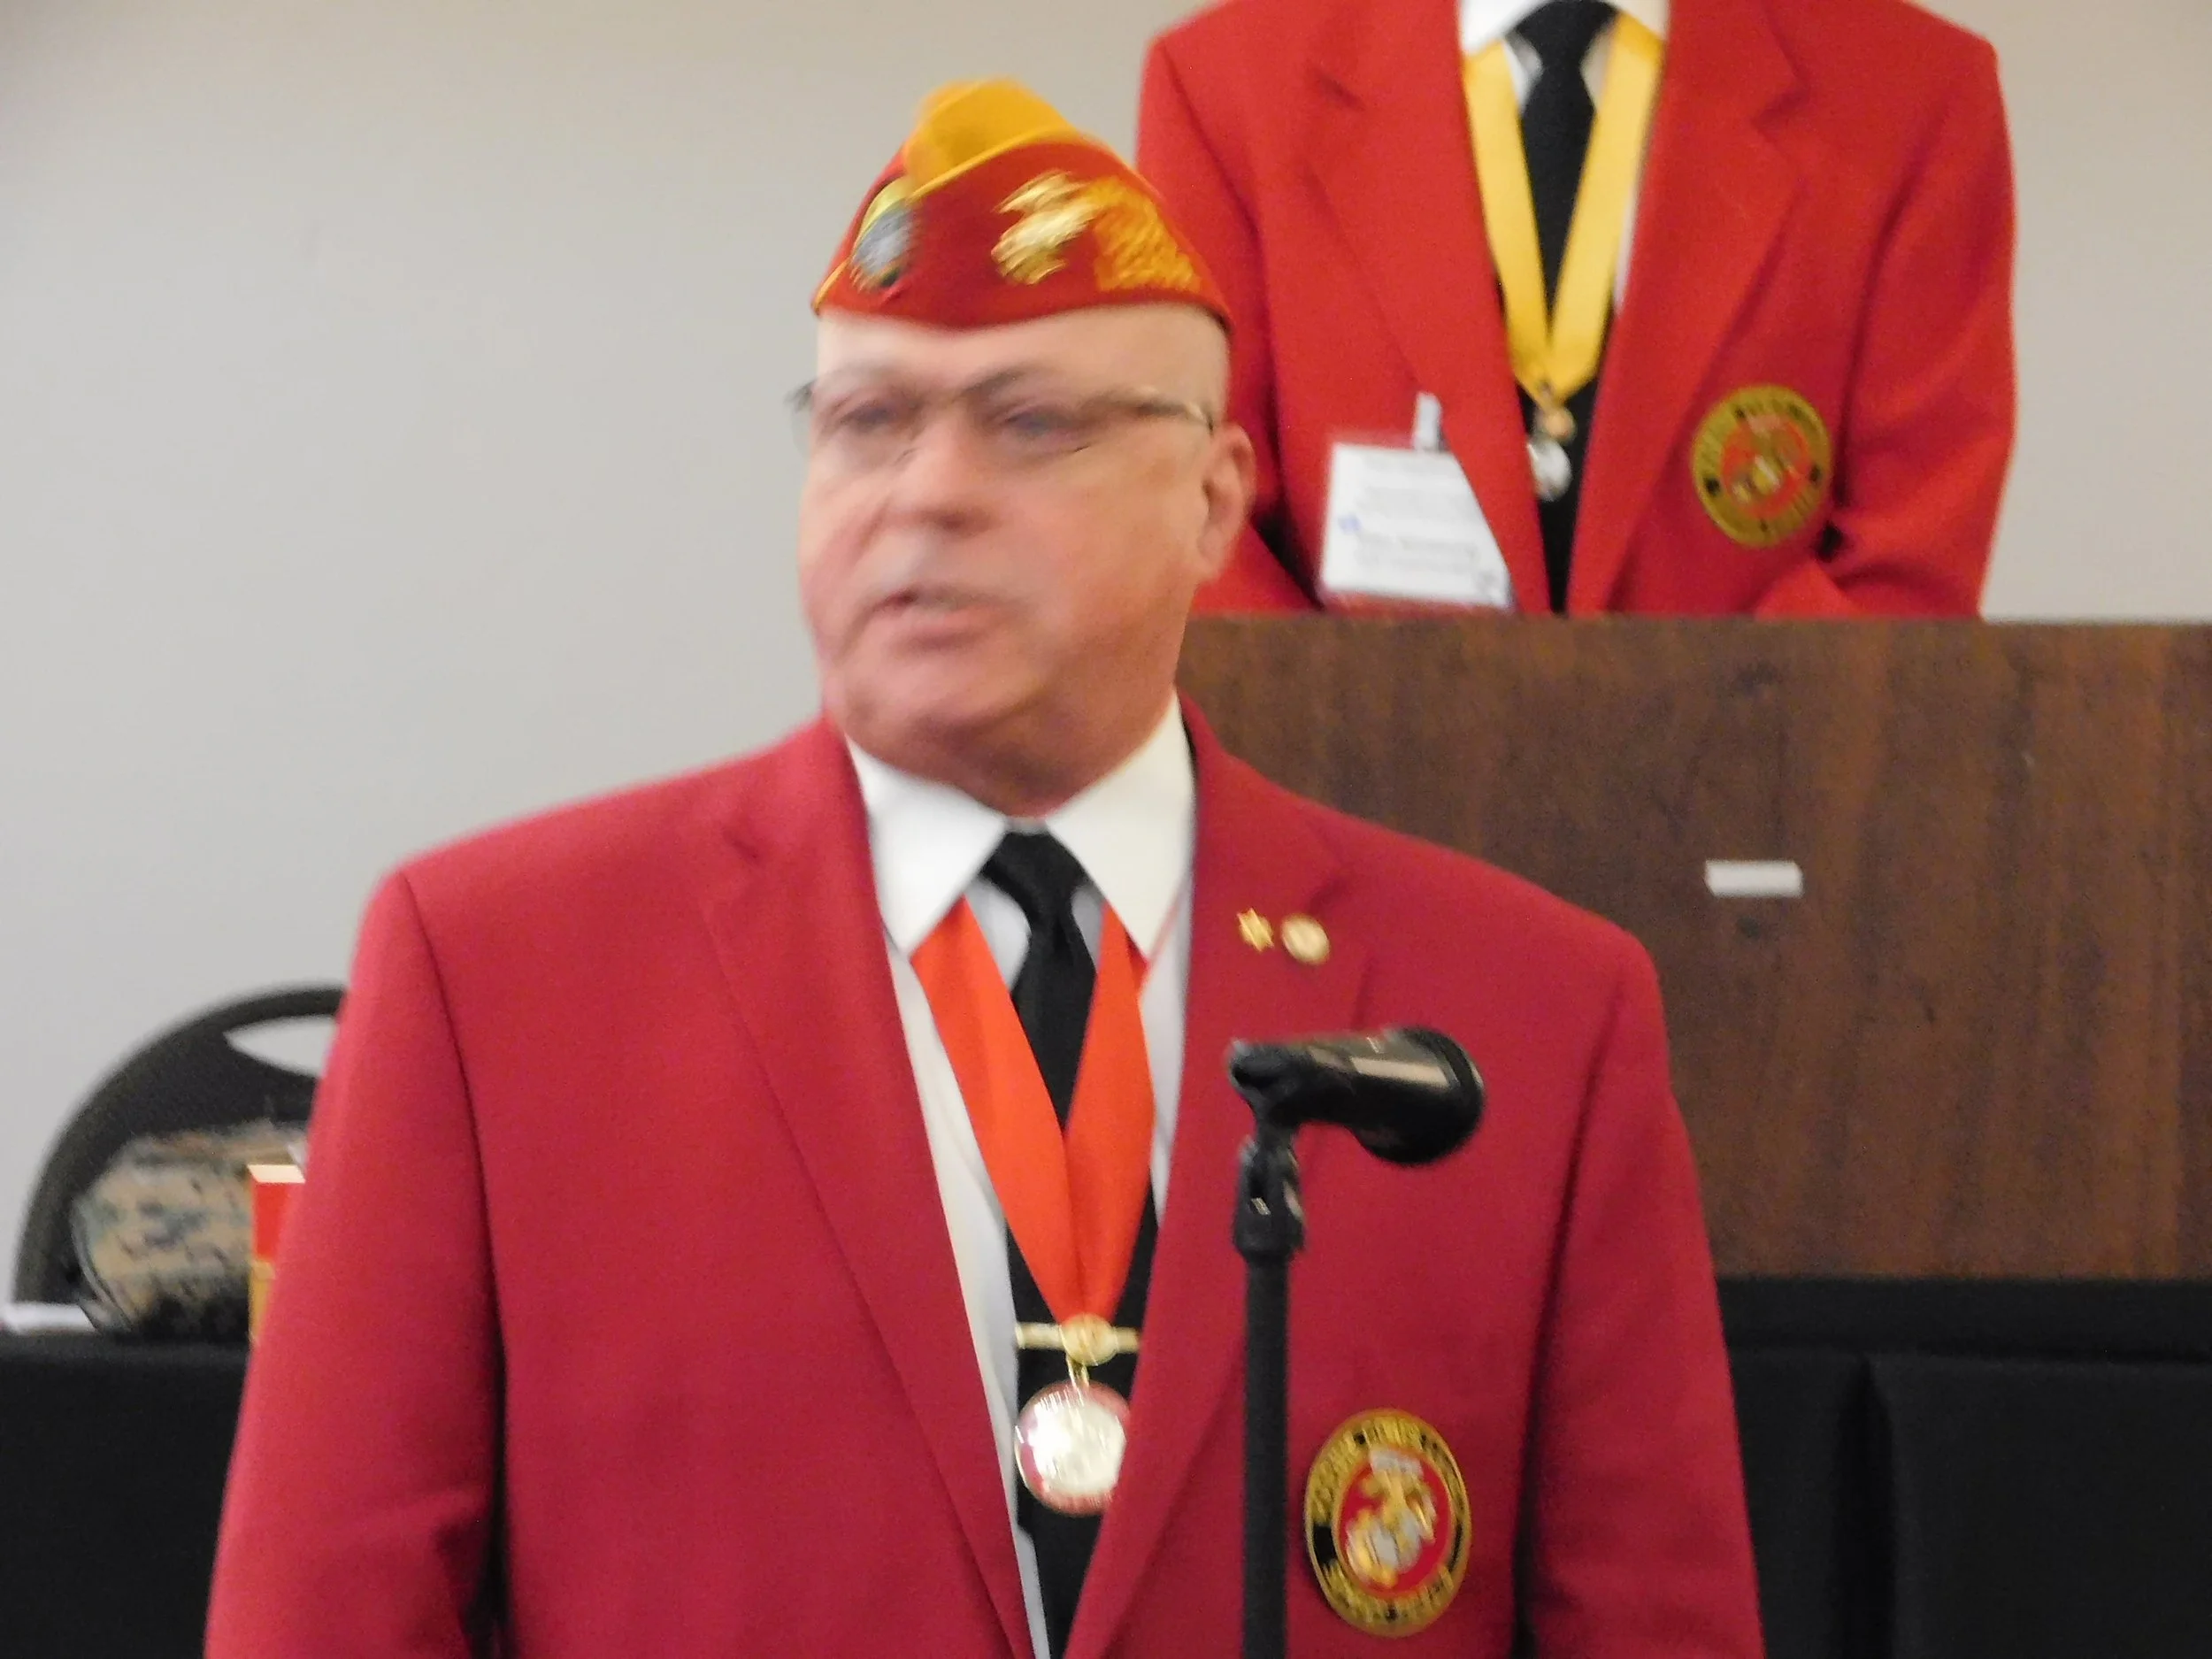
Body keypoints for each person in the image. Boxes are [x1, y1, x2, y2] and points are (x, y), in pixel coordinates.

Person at [207, 81, 1761, 1659]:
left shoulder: (1525, 1014)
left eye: (1031, 425)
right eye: (867, 423)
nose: (929, 492)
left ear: (1214, 500)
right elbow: (320, 1618)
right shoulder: (502, 980)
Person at [1137, 0, 2016, 617]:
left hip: (1757, 792)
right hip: (1344, 793)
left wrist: (1695, 767)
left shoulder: (1911, 95)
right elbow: (1201, 533)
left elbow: (1908, 555)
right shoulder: (1226, 88)